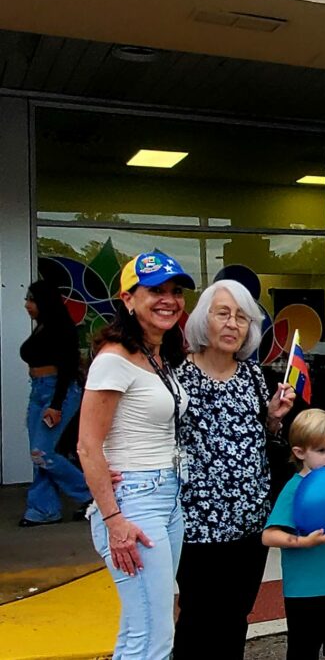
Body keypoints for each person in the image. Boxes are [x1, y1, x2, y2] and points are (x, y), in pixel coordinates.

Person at [77, 252, 195, 659]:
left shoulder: (156, 354)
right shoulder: (114, 358)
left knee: (140, 628)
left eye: (175, 291)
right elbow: (88, 445)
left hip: (165, 498)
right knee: (155, 637)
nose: (169, 300)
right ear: (127, 299)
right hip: (135, 502)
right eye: (155, 291)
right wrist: (113, 519)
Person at [172, 280, 297, 658]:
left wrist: (274, 418)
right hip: (198, 526)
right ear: (202, 321)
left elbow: (261, 434)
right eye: (222, 313)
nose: (232, 324)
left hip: (249, 522)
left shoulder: (252, 376)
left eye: (242, 317)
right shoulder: (178, 378)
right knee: (198, 617)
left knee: (236, 615)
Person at [262, 409, 325, 660]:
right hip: (304, 592)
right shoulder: (296, 487)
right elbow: (269, 535)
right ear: (300, 453)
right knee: (303, 651)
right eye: (321, 451)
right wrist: (303, 541)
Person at [19, 279, 92, 527]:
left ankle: (92, 495)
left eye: (31, 300)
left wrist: (56, 405)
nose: (27, 305)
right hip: (38, 392)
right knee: (38, 454)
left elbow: (68, 369)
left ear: (44, 302)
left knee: (42, 451)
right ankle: (43, 509)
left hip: (57, 393)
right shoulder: (41, 326)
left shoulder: (62, 328)